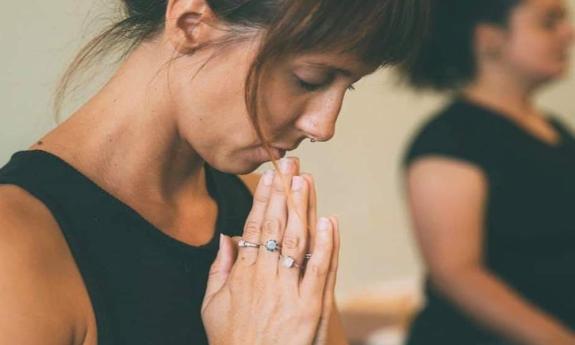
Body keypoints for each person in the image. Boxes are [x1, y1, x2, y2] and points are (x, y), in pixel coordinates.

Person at [0, 0, 429, 344]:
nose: (324, 126)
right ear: (190, 24)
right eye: (310, 79)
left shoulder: (261, 214)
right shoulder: (15, 244)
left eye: (347, 86)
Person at [400, 0, 575, 344]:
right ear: (489, 38)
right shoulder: (448, 141)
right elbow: (456, 274)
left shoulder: (555, 129)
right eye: (548, 22)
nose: (569, 33)